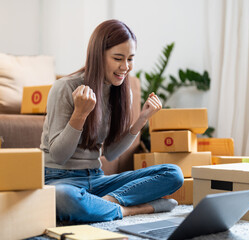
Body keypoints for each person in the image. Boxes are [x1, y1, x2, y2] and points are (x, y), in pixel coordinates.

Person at [40, 19, 184, 223]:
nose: (125, 67)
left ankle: (100, 204)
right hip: (60, 178)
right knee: (62, 198)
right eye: (118, 58)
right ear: (98, 56)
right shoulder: (65, 88)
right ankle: (133, 210)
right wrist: (80, 114)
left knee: (173, 174)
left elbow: (110, 153)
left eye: (130, 59)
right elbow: (59, 155)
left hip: (97, 179)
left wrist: (142, 119)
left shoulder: (121, 92)